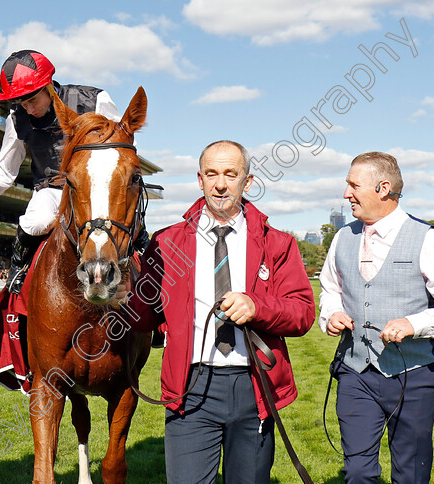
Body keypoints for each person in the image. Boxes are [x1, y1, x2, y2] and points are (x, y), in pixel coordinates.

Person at [129, 140, 315, 483]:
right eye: (212, 174)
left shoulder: (277, 243)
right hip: (191, 388)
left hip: (253, 387)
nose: (220, 184)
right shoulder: (167, 243)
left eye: (231, 174)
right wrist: (116, 293)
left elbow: (303, 312)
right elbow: (143, 315)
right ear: (200, 180)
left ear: (247, 181)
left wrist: (258, 306)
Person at [318, 151, 434, 483]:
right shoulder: (341, 238)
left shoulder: (429, 240)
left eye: (353, 185)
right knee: (358, 473)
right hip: (355, 374)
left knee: (410, 474)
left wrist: (415, 323)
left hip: (414, 377)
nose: (346, 194)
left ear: (383, 188)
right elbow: (330, 290)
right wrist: (332, 312)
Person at [0, 49, 148, 294]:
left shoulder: (95, 99)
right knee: (35, 222)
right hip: (51, 188)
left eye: (32, 100)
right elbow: (3, 169)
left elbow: (120, 144)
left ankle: (144, 254)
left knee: (127, 216)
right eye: (21, 102)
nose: (27, 108)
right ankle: (18, 267)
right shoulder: (17, 120)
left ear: (48, 86)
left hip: (94, 186)